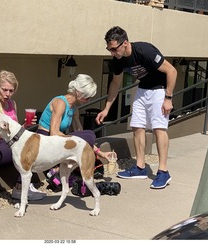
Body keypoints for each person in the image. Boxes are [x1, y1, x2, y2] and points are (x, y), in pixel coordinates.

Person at [95, 26, 177, 189]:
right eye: (109, 49)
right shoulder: (118, 60)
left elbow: (172, 71)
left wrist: (168, 98)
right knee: (137, 126)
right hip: (142, 89)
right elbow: (115, 83)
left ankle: (163, 171)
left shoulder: (145, 51)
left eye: (113, 48)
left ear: (125, 43)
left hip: (160, 89)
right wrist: (106, 108)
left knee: (159, 128)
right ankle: (140, 167)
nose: (112, 52)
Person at [0, 70, 46, 200]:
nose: (8, 94)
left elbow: (13, 132)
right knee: (25, 149)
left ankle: (21, 185)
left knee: (32, 143)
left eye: (11, 91)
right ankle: (21, 187)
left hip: (9, 143)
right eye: (4, 90)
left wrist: (25, 126)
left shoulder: (12, 104)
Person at [36, 74, 115, 183]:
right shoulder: (60, 103)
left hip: (58, 140)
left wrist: (101, 153)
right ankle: (57, 171)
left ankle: (60, 172)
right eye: (87, 97)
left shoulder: (74, 109)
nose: (88, 100)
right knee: (89, 135)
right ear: (78, 92)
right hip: (45, 139)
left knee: (88, 135)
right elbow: (54, 132)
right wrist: (73, 140)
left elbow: (83, 138)